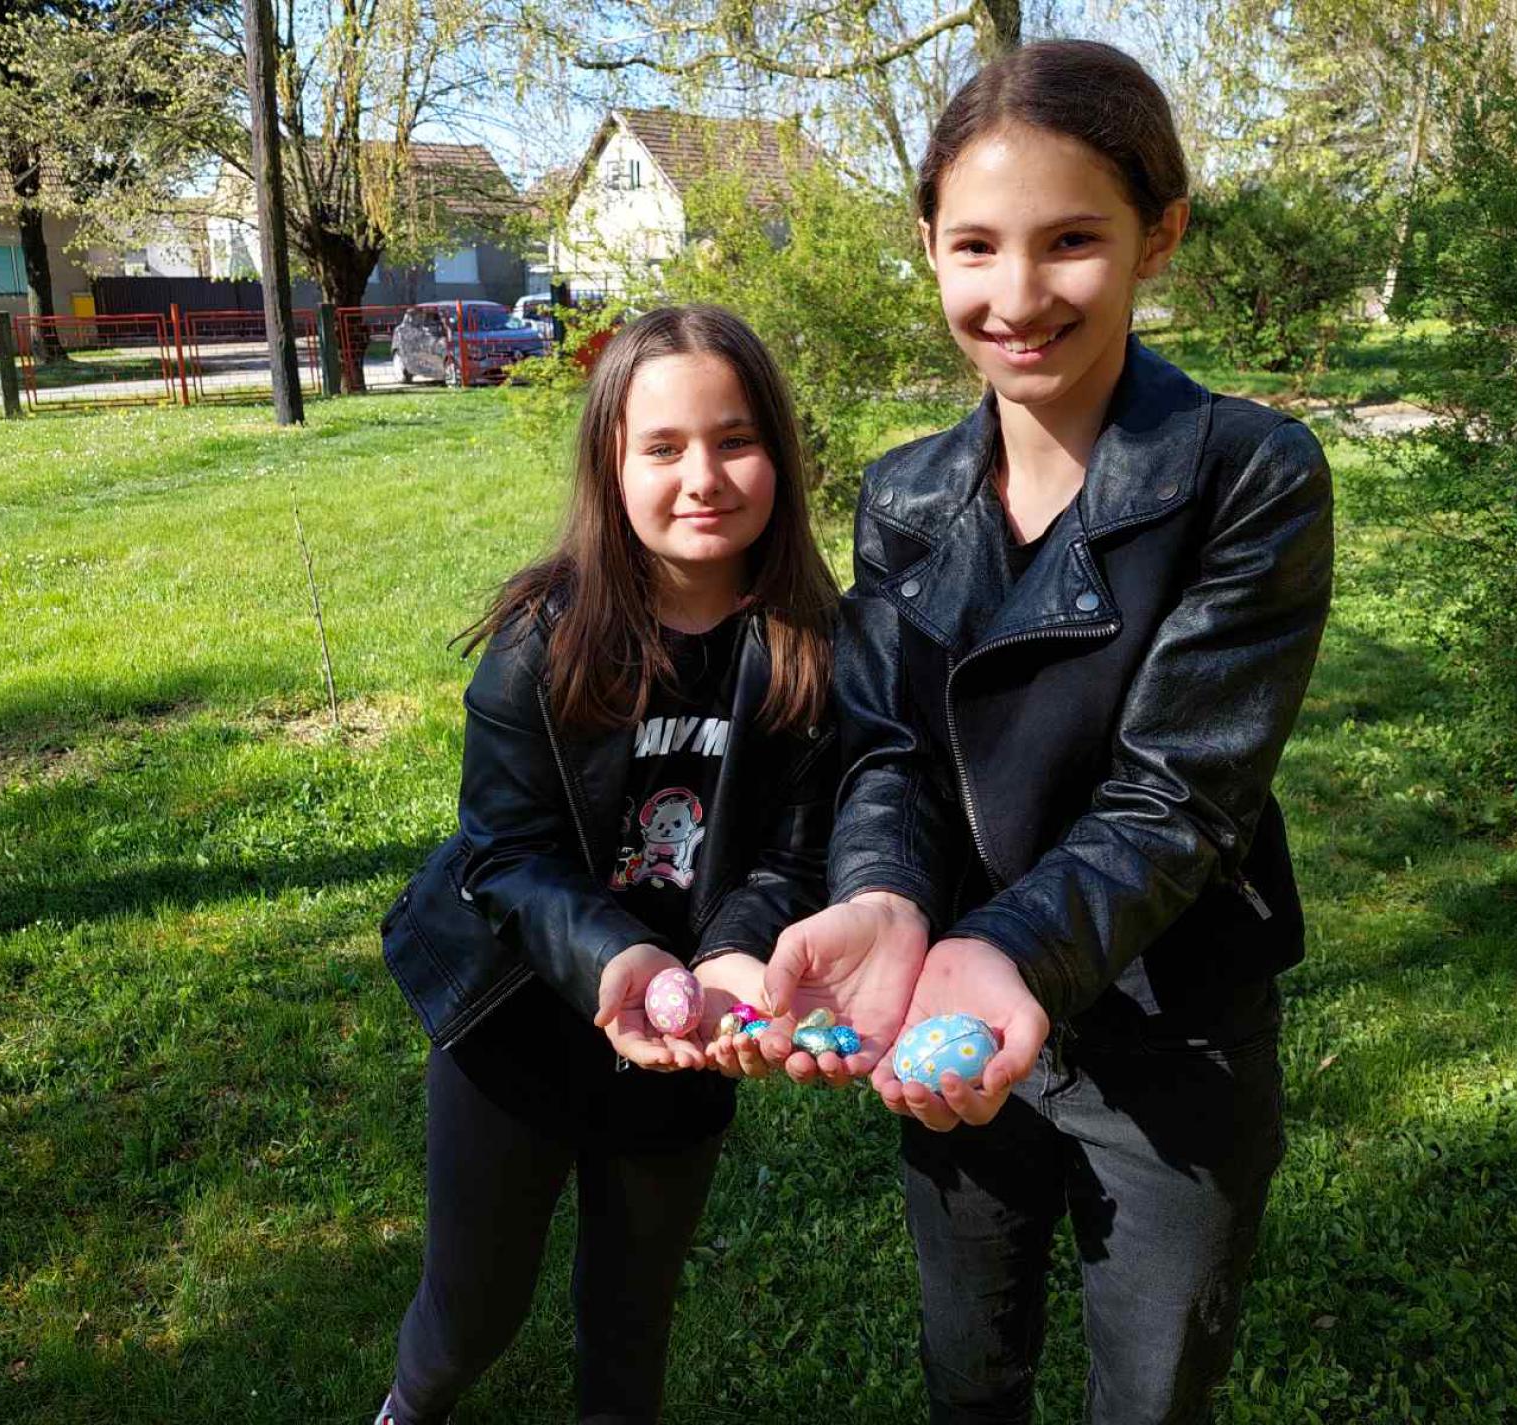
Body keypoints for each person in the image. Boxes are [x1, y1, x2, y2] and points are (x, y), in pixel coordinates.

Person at [734, 39, 1335, 1424]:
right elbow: (888, 747)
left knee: (1152, 1392)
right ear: (927, 247)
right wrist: (884, 897)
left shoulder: (1247, 476)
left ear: (1157, 237)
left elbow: (1178, 794)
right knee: (969, 1370)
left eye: (1070, 241)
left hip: (1170, 1026)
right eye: (975, 246)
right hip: (948, 1006)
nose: (1015, 298)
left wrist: (1007, 947)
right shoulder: (904, 496)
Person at [377, 305, 839, 1425]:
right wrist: (618, 955)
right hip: (516, 1024)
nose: (703, 478)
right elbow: (504, 849)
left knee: (631, 1320)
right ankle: (409, 1407)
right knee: (474, 1308)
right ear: (611, 467)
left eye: (735, 440)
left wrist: (729, 957)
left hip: (687, 1040)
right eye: (663, 447)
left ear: (778, 453)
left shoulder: (814, 649)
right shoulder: (544, 639)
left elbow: (793, 854)